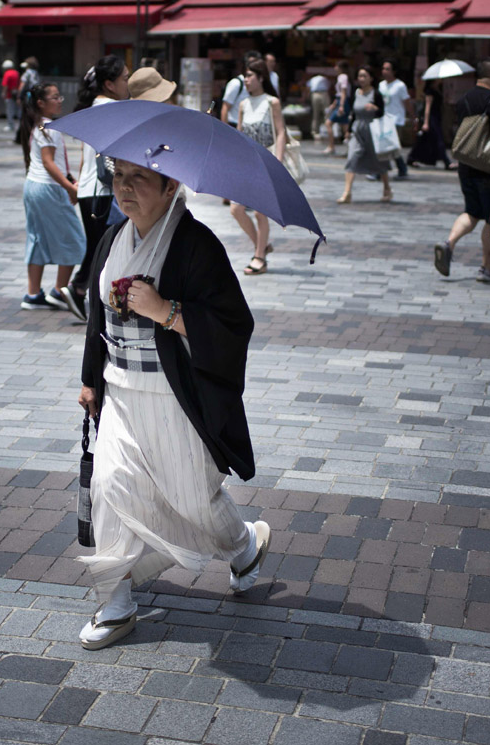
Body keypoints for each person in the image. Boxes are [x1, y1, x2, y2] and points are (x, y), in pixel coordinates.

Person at [75, 158, 270, 651]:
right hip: (120, 391)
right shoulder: (112, 238)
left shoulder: (196, 244)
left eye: (138, 178)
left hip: (174, 397)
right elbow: (96, 314)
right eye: (118, 177)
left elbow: (233, 326)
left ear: (170, 186)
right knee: (110, 485)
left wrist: (165, 311)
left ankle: (244, 544)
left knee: (192, 501)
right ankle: (116, 604)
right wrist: (90, 380)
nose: (124, 188)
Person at [433, 58, 490, 283]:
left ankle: (448, 243)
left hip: (467, 166)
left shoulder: (465, 100)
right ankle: (487, 267)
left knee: (472, 212)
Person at [62, 56, 130, 321]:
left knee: (98, 247)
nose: (128, 83)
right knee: (103, 249)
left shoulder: (95, 107)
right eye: (124, 78)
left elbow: (85, 154)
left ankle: (81, 291)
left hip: (89, 190)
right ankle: (79, 289)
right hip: (101, 193)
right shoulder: (112, 110)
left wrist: (76, 185)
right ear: (110, 84)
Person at [18, 82, 86, 310]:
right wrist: (70, 187)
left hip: (33, 187)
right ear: (41, 103)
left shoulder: (38, 125)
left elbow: (51, 162)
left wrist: (68, 180)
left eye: (59, 97)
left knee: (37, 239)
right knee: (74, 239)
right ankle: (59, 292)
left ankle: (33, 294)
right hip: (48, 188)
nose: (59, 101)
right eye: (55, 98)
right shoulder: (50, 128)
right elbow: (48, 163)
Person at [232, 59, 285, 275]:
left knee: (261, 214)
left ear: (261, 78)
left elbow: (281, 132)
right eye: (245, 76)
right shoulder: (243, 105)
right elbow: (239, 135)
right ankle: (261, 245)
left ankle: (259, 257)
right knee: (236, 209)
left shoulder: (272, 102)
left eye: (250, 76)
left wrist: (278, 162)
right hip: (247, 163)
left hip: (266, 161)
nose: (245, 80)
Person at [337, 66, 391, 204]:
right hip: (358, 130)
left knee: (379, 159)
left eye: (364, 76)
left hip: (373, 130)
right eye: (360, 76)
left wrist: (375, 108)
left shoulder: (376, 94)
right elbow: (353, 114)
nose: (361, 79)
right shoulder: (356, 93)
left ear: (371, 78)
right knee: (352, 157)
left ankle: (387, 188)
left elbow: (382, 113)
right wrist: (348, 130)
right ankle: (347, 192)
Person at [408, 80, 454, 171]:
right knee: (438, 139)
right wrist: (426, 123)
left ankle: (411, 157)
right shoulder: (430, 92)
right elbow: (427, 108)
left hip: (437, 117)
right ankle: (446, 161)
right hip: (431, 119)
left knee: (423, 140)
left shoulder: (438, 90)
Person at [378, 59, 412, 178]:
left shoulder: (400, 85)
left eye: (387, 69)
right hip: (383, 119)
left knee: (391, 147)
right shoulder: (381, 85)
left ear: (394, 71)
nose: (384, 71)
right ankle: (398, 169)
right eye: (383, 68)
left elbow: (407, 102)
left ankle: (383, 171)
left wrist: (413, 117)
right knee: (385, 146)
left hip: (396, 120)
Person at [219, 51, 261, 127]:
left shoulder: (260, 86)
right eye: (250, 63)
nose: (253, 66)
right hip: (234, 125)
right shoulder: (236, 83)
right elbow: (225, 108)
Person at [324, 60, 351, 154]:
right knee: (345, 126)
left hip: (342, 102)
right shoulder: (344, 77)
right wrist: (334, 104)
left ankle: (331, 146)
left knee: (328, 123)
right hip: (341, 101)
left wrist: (341, 105)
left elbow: (343, 92)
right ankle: (350, 148)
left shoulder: (342, 77)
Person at [307, 72, 331, 138]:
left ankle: (315, 132)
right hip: (324, 93)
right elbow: (328, 87)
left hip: (315, 94)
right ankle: (328, 131)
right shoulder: (324, 78)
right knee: (327, 113)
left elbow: (308, 88)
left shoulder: (312, 79)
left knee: (316, 114)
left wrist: (307, 97)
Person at [1, 60, 21, 132]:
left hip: (9, 95)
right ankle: (20, 125)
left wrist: (4, 93)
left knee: (10, 111)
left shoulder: (7, 74)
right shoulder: (16, 73)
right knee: (18, 110)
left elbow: (5, 85)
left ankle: (11, 125)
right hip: (17, 94)